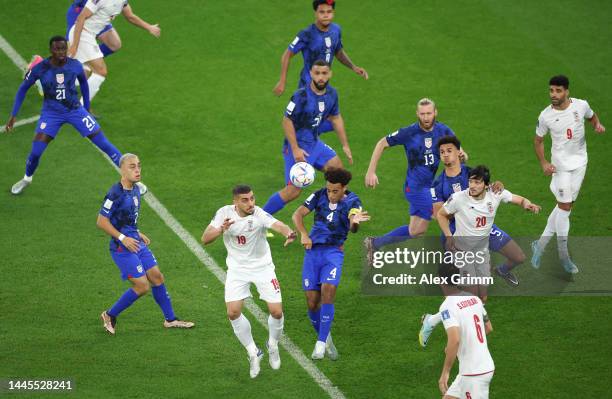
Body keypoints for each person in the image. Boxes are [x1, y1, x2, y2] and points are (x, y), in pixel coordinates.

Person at [418, 140, 528, 348]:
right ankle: (456, 329)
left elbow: (492, 186)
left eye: (449, 151)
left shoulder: (471, 174)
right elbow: (440, 213)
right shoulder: (438, 184)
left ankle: (449, 320)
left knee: (481, 295)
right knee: (468, 297)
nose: (445, 155)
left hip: (483, 233)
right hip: (460, 236)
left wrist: (498, 186)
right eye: (441, 152)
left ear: (459, 153)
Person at [5, 36, 145, 195]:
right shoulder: (40, 68)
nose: (61, 52)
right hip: (51, 114)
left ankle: (132, 179)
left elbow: (84, 85)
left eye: (63, 48)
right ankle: (26, 178)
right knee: (36, 152)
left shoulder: (75, 66)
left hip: (75, 111)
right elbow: (23, 89)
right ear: (51, 50)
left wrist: (87, 107)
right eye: (57, 49)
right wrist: (13, 115)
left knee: (104, 144)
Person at [202, 185, 297, 378]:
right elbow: (205, 238)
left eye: (252, 198)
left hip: (263, 268)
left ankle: (272, 344)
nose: (250, 203)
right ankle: (253, 351)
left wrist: (288, 233)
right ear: (235, 202)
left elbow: (278, 225)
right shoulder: (224, 213)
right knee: (233, 312)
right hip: (237, 270)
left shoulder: (259, 214)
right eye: (245, 200)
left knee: (276, 312)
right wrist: (222, 229)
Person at [97, 153, 194, 335]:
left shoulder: (135, 189)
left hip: (135, 241)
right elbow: (101, 221)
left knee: (157, 276)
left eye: (139, 166)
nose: (137, 170)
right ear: (122, 170)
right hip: (122, 248)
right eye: (132, 167)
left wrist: (136, 233)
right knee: (142, 286)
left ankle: (170, 320)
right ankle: (110, 314)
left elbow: (126, 219)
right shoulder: (114, 193)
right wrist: (123, 238)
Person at [364, 98, 465, 250]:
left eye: (429, 113)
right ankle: (454, 259)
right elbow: (382, 143)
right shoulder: (409, 133)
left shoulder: (444, 131)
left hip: (430, 186)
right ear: (417, 114)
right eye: (422, 114)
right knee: (448, 214)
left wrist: (463, 156)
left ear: (435, 112)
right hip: (415, 188)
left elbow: (460, 152)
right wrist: (371, 171)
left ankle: (374, 244)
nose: (426, 117)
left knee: (416, 231)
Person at [292, 168, 370, 359]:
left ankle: (319, 344)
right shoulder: (319, 195)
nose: (331, 194)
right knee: (312, 302)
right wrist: (303, 234)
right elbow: (297, 214)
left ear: (344, 188)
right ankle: (326, 339)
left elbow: (353, 224)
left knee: (328, 291)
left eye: (335, 191)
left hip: (333, 252)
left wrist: (355, 222)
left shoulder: (353, 201)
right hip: (312, 253)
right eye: (329, 190)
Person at [531, 75, 605, 274]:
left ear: (567, 91)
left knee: (564, 207)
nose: (553, 95)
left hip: (581, 163)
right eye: (551, 91)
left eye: (558, 91)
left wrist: (597, 125)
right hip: (560, 167)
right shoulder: (546, 116)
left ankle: (540, 245)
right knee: (564, 207)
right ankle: (563, 256)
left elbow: (591, 116)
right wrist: (544, 162)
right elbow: (538, 141)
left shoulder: (581, 106)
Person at [263, 60, 354, 215]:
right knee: (293, 190)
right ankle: (257, 221)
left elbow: (336, 118)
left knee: (337, 170)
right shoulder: (301, 96)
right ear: (311, 74)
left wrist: (345, 144)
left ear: (330, 74)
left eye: (324, 73)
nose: (320, 77)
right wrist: (295, 149)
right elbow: (286, 120)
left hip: (314, 144)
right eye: (317, 73)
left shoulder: (332, 94)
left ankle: (335, 211)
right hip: (297, 147)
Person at [67, 0, 161, 103]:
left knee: (109, 52)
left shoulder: (122, 1)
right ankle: (80, 105)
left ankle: (81, 104)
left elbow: (130, 16)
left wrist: (149, 27)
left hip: (90, 33)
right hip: (82, 31)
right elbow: (81, 18)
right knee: (100, 72)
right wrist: (74, 45)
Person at [272, 0, 368, 96]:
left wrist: (353, 67)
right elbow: (287, 55)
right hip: (307, 86)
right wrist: (282, 81)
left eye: (329, 12)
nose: (326, 15)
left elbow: (338, 52)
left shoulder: (336, 30)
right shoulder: (306, 34)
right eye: (322, 12)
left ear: (333, 13)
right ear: (315, 13)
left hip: (324, 84)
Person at [436, 262, 495, 399]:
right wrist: (454, 347)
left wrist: (445, 372)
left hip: (473, 374)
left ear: (439, 280)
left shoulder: (447, 307)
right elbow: (488, 327)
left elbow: (454, 340)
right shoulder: (474, 299)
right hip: (479, 367)